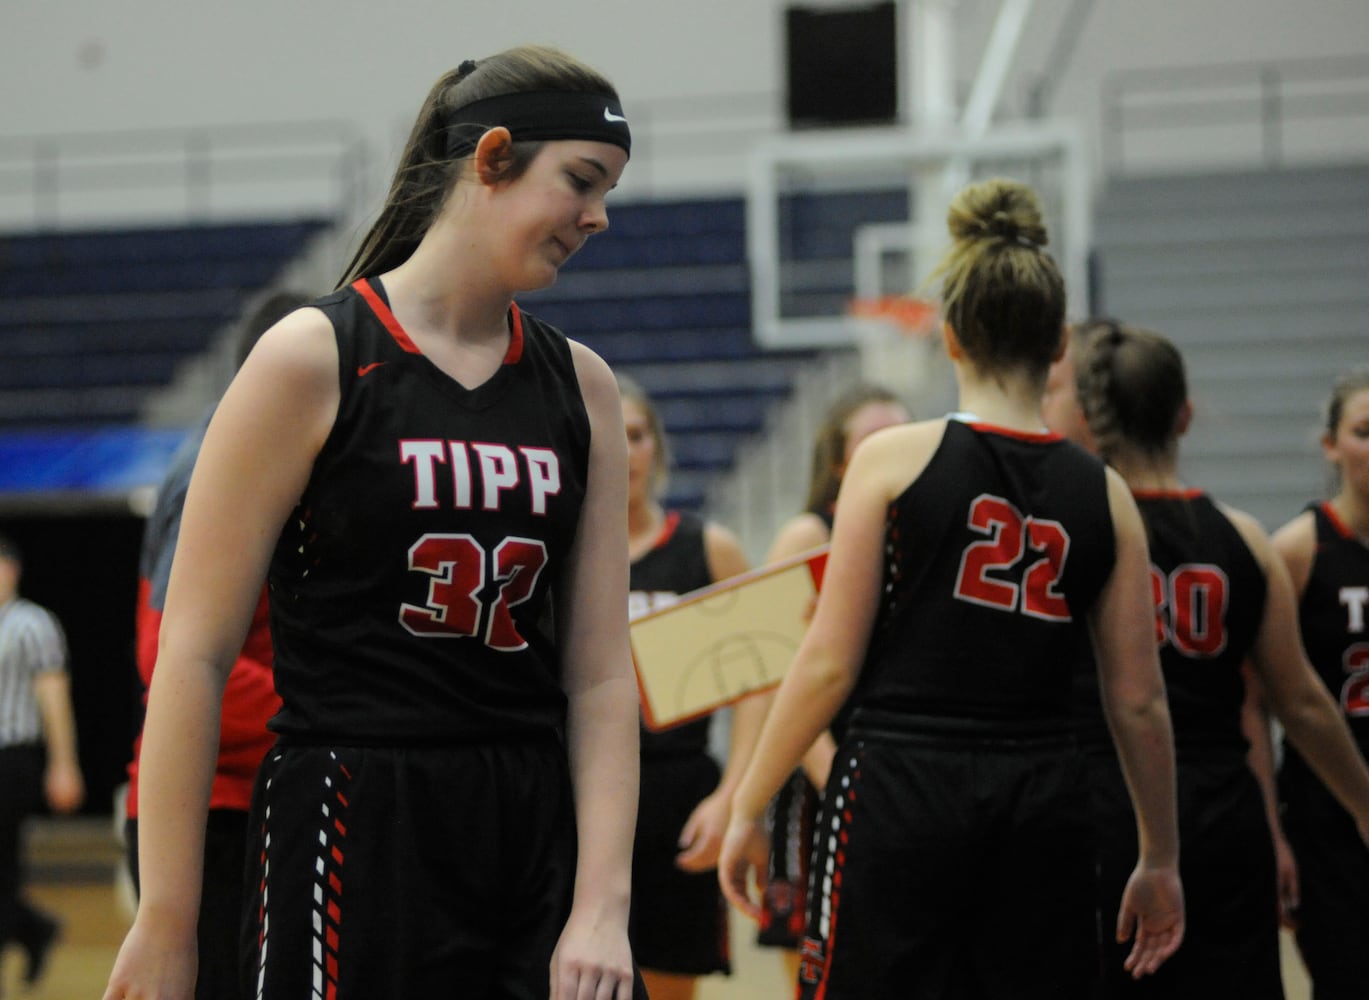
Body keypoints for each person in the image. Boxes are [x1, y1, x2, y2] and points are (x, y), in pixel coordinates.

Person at [103, 45, 644, 1000]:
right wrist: (166, 923)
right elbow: (190, 655)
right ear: (491, 159)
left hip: (531, 824)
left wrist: (602, 904)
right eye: (581, 182)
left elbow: (600, 674)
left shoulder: (582, 386)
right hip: (349, 817)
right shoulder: (313, 357)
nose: (597, 216)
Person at [718, 177, 1184, 999]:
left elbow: (827, 661)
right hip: (1041, 788)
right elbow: (1138, 700)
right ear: (1054, 350)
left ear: (951, 336)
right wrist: (1159, 854)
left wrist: (746, 802)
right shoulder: (1104, 492)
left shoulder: (891, 460)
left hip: (901, 780)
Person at [1069, 325, 1369, 998]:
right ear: (1184, 414)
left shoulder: (1075, 529)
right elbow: (1299, 701)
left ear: (1091, 417)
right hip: (1217, 814)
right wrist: (1362, 801)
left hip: (1103, 802)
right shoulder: (1245, 540)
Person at [123, 290, 307, 1000]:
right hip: (210, 812)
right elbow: (168, 661)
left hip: (244, 802)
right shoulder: (213, 466)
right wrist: (333, 710)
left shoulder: (253, 454)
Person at [749, 383, 909, 976]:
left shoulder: (916, 533)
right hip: (823, 774)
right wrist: (835, 776)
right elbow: (775, 674)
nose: (893, 448)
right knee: (819, 966)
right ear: (841, 462)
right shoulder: (808, 535)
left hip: (889, 773)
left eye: (902, 435)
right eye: (875, 438)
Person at [619, 374, 750, 1000]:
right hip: (580, 793)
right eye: (607, 438)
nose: (624, 452)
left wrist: (732, 797)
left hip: (679, 792)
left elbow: (761, 682)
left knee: (670, 985)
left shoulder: (708, 549)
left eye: (637, 435)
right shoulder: (559, 554)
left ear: (657, 448)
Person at [1271, 366, 1369, 1000]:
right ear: (1330, 445)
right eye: (1364, 431)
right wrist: (1271, 833)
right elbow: (1252, 704)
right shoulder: (1298, 551)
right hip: (1329, 816)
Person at [0, 532, 85, 989]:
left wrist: (63, 764)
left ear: (11, 570)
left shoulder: (32, 624)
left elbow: (54, 697)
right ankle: (34, 928)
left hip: (11, 759)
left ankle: (32, 930)